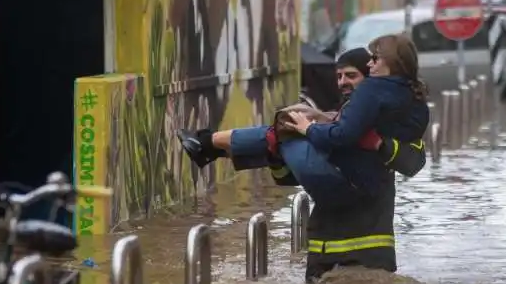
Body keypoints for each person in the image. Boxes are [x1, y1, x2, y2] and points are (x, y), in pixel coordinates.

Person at [178, 35, 429, 209]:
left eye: (353, 75)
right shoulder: (408, 97)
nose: (342, 82)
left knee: (283, 130)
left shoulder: (373, 90)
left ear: (388, 64)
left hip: (347, 182)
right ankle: (208, 147)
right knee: (283, 131)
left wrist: (309, 128)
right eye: (339, 76)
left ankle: (208, 144)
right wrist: (321, 119)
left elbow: (344, 135)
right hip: (355, 189)